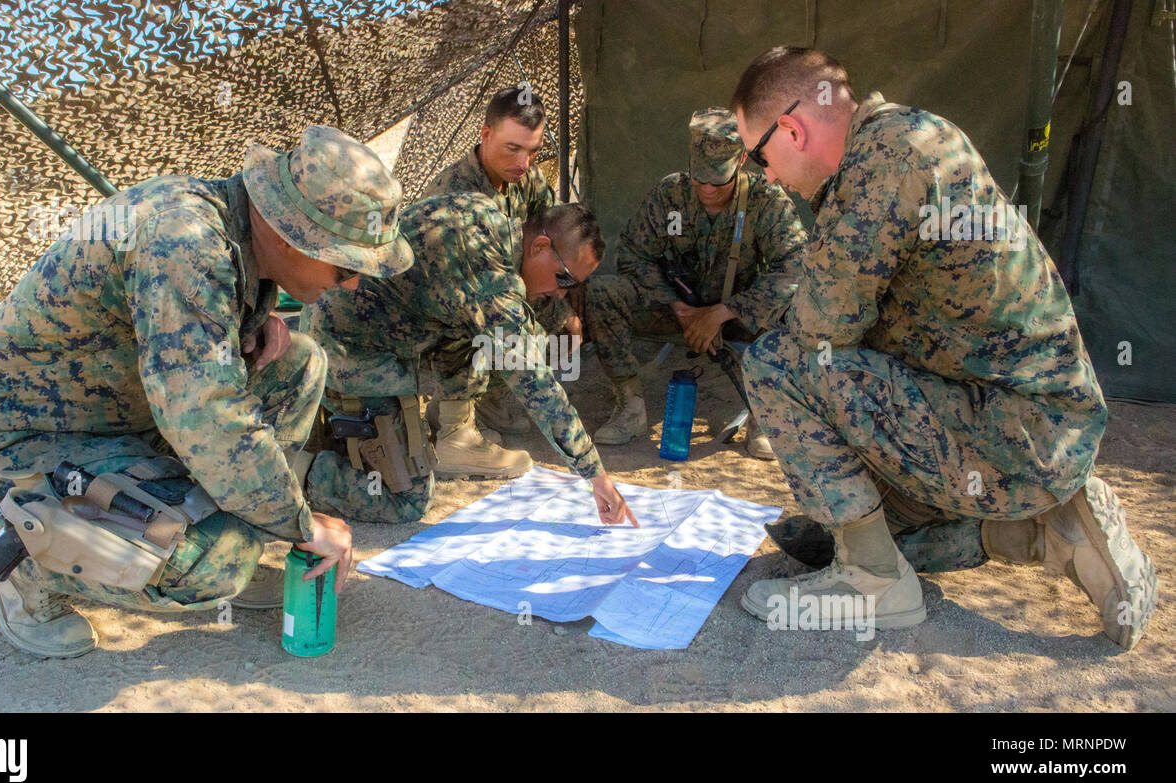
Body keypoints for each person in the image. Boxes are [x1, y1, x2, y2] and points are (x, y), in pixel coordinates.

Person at [0, 125, 412, 657]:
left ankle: (218, 528)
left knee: (298, 361)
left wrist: (250, 323)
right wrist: (297, 521)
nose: (352, 285)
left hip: (116, 421)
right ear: (285, 232)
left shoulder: (233, 230)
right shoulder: (182, 238)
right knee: (218, 563)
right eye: (345, 265)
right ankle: (20, 551)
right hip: (11, 450)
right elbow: (207, 416)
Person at [730, 47, 1156, 649]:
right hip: (1025, 424)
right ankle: (1048, 531)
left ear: (792, 130)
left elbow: (818, 331)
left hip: (1014, 426)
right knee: (843, 537)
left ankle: (875, 587)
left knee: (776, 364)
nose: (765, 174)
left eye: (758, 155)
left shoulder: (884, 162)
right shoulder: (900, 139)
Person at [302, 193, 639, 526]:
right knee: (408, 500)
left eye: (574, 286)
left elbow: (508, 307)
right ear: (538, 247)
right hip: (349, 350)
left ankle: (454, 434)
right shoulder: (489, 283)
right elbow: (537, 385)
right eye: (564, 278)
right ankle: (298, 472)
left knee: (485, 332)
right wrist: (595, 475)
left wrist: (559, 316)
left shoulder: (485, 217)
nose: (563, 291)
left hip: (363, 325)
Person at [584, 108, 806, 457]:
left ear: (742, 160)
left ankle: (764, 418)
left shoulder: (767, 202)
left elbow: (795, 268)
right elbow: (632, 254)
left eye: (718, 180)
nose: (706, 189)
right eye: (699, 177)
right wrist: (678, 307)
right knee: (602, 293)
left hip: (741, 318)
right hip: (678, 310)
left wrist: (722, 313)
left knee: (797, 308)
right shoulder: (670, 195)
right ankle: (630, 407)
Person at [422, 86, 581, 448]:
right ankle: (451, 416)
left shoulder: (529, 179)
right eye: (513, 149)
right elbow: (462, 293)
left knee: (561, 310)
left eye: (533, 152)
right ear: (485, 135)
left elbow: (550, 245)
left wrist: (564, 309)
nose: (524, 163)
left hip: (503, 290)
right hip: (452, 306)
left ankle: (493, 399)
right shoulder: (452, 193)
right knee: (500, 327)